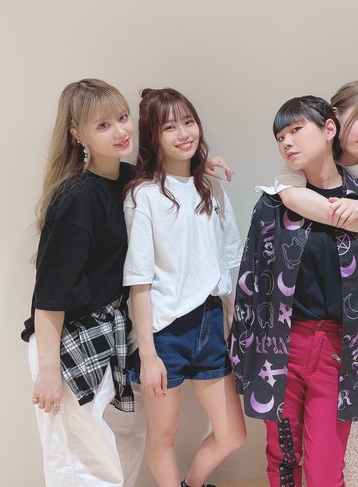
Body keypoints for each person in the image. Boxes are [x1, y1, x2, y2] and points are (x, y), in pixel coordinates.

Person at [229, 95, 358, 487]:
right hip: (280, 346)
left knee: (325, 469)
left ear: (328, 129)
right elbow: (250, 281)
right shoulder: (273, 205)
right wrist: (243, 350)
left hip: (340, 350)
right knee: (282, 458)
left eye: (295, 130)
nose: (286, 142)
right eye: (280, 137)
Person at [122, 87, 246, 487]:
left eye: (188, 122)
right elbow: (139, 281)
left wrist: (232, 316)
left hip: (210, 322)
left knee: (233, 434)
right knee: (164, 434)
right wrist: (148, 354)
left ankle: (191, 484)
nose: (183, 134)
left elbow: (226, 261)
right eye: (170, 127)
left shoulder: (211, 187)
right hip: (164, 331)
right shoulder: (143, 196)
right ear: (153, 137)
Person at [21, 78, 136, 487]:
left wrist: (201, 165)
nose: (120, 131)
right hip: (66, 341)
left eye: (122, 117)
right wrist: (48, 370)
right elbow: (50, 292)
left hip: (107, 332)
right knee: (78, 463)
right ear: (78, 134)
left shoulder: (128, 179)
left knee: (120, 448)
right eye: (103, 125)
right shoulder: (78, 196)